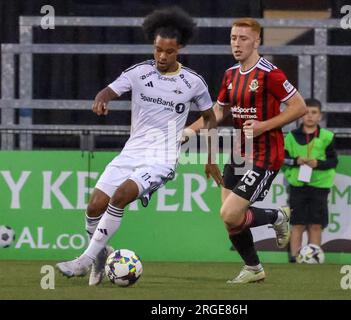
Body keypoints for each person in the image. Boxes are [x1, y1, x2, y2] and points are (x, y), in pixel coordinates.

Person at [56, 6, 222, 285]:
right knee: (95, 205)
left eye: (168, 51)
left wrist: (210, 158)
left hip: (162, 158)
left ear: (179, 48)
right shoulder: (139, 72)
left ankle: (83, 260)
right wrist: (103, 98)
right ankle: (99, 256)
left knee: (120, 196)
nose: (162, 56)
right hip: (131, 152)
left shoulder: (193, 82)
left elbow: (210, 118)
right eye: (158, 49)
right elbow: (109, 89)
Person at [184, 17, 307, 283]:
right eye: (233, 38)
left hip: (266, 155)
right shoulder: (230, 75)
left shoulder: (270, 73)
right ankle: (254, 268)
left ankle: (277, 216)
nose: (236, 44)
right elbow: (217, 111)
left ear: (257, 41)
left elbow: (299, 107)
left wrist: (264, 126)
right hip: (239, 153)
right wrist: (188, 132)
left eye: (243, 38)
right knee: (231, 220)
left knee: (230, 213)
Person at [283, 98, 338, 262]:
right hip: (297, 186)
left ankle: (313, 258)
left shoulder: (327, 137)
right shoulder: (291, 137)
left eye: (314, 113)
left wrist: (317, 163)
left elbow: (333, 161)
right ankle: (295, 258)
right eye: (306, 112)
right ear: (301, 115)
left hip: (319, 186)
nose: (309, 116)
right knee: (297, 224)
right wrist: (295, 161)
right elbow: (281, 159)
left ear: (320, 116)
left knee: (315, 224)